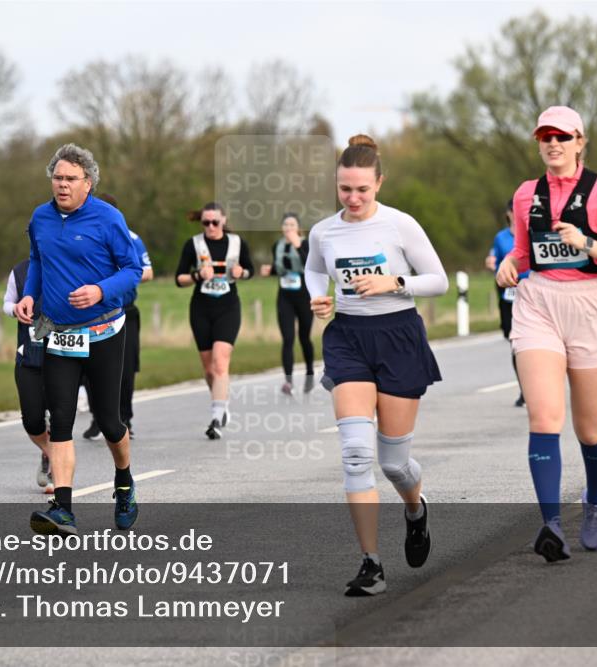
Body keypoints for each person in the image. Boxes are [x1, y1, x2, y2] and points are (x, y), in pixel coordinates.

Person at [306, 135, 448, 596]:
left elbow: (439, 280)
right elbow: (313, 268)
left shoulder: (400, 225)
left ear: (379, 183)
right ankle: (371, 564)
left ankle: (415, 509)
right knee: (355, 454)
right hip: (348, 338)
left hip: (398, 337)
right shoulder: (324, 231)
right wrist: (317, 297)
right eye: (345, 189)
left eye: (362, 190)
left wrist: (395, 280)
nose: (353, 198)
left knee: (393, 462)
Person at [496, 106, 597, 563]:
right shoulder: (525, 194)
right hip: (539, 304)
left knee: (589, 427)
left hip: (592, 305)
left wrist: (588, 244)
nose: (552, 143)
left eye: (562, 136)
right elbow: (522, 249)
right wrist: (509, 264)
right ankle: (551, 525)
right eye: (545, 137)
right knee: (543, 419)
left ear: (580, 141)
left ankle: (595, 500)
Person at [15, 144, 142, 535]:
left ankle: (124, 481)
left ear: (88, 183)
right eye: (57, 178)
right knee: (62, 420)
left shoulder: (108, 218)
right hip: (59, 335)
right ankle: (63, 508)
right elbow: (37, 259)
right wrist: (30, 294)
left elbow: (132, 268)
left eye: (71, 179)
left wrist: (101, 291)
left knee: (109, 421)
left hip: (104, 331)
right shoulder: (41, 217)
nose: (62, 185)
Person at [175, 203, 254, 439]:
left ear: (223, 221)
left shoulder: (237, 243)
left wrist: (243, 273)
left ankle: (216, 418)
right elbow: (179, 278)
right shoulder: (194, 244)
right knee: (209, 369)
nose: (210, 227)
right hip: (200, 308)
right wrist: (198, 275)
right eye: (206, 222)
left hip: (228, 307)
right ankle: (221, 404)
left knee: (221, 363)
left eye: (215, 222)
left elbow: (251, 270)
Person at [82, 194, 154, 441]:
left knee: (126, 369)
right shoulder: (84, 234)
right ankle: (97, 417)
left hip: (124, 311)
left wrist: (118, 277)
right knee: (89, 369)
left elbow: (147, 271)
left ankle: (125, 418)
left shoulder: (131, 237)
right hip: (91, 314)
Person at [2, 258, 52, 494]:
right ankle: (50, 453)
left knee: (60, 418)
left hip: (65, 356)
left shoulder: (71, 261)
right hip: (29, 356)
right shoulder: (20, 271)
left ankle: (58, 470)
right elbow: (7, 303)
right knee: (32, 420)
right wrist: (15, 309)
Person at [259, 212, 315, 395]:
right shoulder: (277, 245)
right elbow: (282, 267)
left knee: (304, 338)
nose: (289, 228)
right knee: (288, 338)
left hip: (304, 295)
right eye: (285, 225)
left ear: (298, 228)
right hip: (285, 297)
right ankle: (288, 381)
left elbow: (311, 265)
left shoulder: (306, 243)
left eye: (292, 225)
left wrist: (298, 245)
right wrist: (271, 270)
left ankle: (309, 373)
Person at [485, 199, 528, 407]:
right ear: (509, 213)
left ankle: (531, 389)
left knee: (529, 343)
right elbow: (495, 259)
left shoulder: (530, 235)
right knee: (515, 344)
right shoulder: (501, 238)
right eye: (513, 211)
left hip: (530, 294)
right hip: (508, 296)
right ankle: (524, 388)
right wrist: (491, 262)